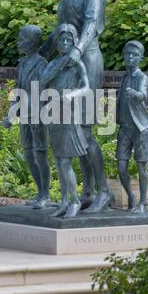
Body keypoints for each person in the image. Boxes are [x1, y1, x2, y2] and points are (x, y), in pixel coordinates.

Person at [40, 0, 114, 213]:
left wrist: (77, 51)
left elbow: (92, 24)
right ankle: (87, 192)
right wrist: (41, 55)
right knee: (73, 130)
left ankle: (103, 191)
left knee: (83, 129)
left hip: (87, 59)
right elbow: (62, 29)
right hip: (68, 61)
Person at [41, 24, 90, 219]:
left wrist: (73, 95)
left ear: (75, 42)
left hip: (69, 113)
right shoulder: (54, 63)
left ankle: (75, 201)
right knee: (58, 159)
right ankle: (63, 201)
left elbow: (86, 87)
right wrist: (62, 62)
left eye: (69, 40)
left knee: (65, 162)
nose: (65, 43)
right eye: (62, 40)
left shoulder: (78, 64)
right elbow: (44, 79)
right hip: (54, 114)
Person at [3, 25, 50, 209]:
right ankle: (40, 192)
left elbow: (43, 93)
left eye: (21, 39)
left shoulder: (42, 64)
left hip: (37, 116)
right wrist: (12, 113)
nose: (18, 42)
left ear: (32, 43)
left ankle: (45, 195)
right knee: (29, 155)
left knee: (40, 154)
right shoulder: (21, 64)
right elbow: (19, 92)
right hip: (24, 115)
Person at [116, 40, 148, 214]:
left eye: (134, 55)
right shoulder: (124, 77)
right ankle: (131, 197)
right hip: (124, 128)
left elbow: (143, 94)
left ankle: (142, 204)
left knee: (141, 167)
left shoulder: (141, 77)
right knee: (121, 166)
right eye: (128, 54)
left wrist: (136, 95)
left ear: (141, 58)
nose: (130, 57)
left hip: (139, 129)